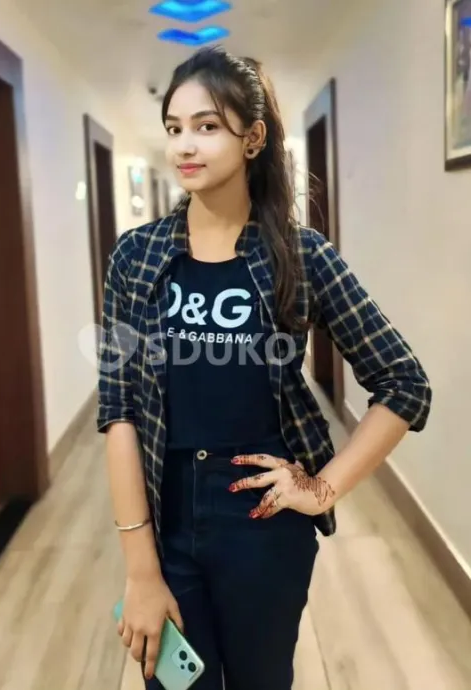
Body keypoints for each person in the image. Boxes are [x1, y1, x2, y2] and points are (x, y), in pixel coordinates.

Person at [97, 46, 432, 690]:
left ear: (252, 139)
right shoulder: (136, 257)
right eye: (174, 127)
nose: (184, 145)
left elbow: (404, 384)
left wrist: (322, 489)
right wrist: (139, 568)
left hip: (262, 521)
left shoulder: (299, 256)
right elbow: (119, 412)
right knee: (176, 684)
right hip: (166, 513)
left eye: (206, 126)